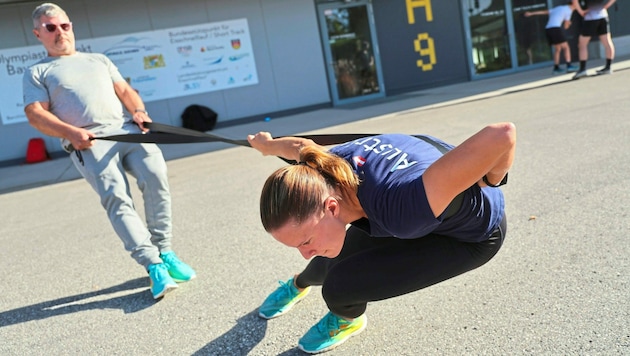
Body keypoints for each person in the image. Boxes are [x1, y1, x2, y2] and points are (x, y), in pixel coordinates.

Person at [246, 122, 516, 354]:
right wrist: (267, 145)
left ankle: (347, 319)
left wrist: (492, 180)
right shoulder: (322, 164)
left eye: (305, 241)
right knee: (326, 259)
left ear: (331, 207)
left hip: (468, 238)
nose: (304, 251)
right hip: (414, 208)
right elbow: (299, 147)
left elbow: (502, 134)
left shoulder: (405, 205)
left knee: (339, 286)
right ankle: (299, 283)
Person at [22, 3, 196, 300]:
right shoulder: (38, 71)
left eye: (64, 26)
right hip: (88, 143)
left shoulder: (98, 60)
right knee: (118, 199)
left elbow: (126, 92)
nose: (59, 32)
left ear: (71, 26)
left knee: (157, 179)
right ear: (38, 33)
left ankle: (165, 251)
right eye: (50, 28)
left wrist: (140, 111)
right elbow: (36, 113)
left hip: (129, 133)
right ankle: (153, 264)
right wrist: (70, 132)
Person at [525, 1, 578, 74]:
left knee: (558, 49)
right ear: (573, 4)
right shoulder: (569, 11)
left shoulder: (558, 8)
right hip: (555, 28)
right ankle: (569, 66)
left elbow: (544, 12)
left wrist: (531, 13)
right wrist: (569, 23)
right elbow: (566, 27)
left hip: (548, 29)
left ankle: (556, 68)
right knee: (566, 47)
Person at [571, 0, 617, 79]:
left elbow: (574, 1)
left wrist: (581, 11)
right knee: (607, 41)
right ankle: (608, 67)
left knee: (582, 44)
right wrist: (606, 6)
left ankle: (582, 69)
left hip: (590, 17)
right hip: (603, 15)